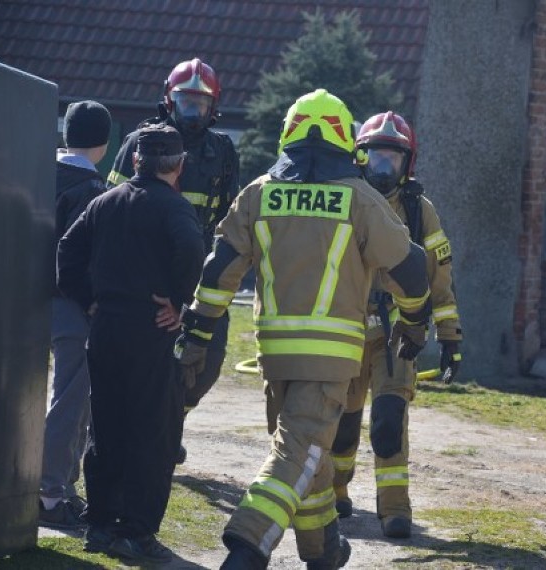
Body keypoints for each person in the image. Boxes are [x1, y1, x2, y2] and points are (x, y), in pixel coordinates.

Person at [174, 89, 432, 569]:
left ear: (288, 133)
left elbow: (218, 273)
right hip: (331, 359)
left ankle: (323, 550)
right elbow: (412, 269)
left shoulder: (259, 194)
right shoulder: (360, 199)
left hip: (276, 356)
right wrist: (415, 325)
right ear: (345, 140)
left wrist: (198, 337)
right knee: (296, 457)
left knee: (304, 457)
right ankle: (248, 545)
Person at [58, 125, 204, 564]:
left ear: (135, 161)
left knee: (106, 427)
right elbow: (193, 249)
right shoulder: (175, 209)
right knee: (153, 433)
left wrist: (89, 300)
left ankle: (100, 525)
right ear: (178, 166)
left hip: (105, 330)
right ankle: (136, 533)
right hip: (151, 331)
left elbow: (67, 251)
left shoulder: (104, 202)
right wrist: (179, 302)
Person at [330, 111, 464, 539]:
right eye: (376, 157)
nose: (384, 167)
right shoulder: (345, 198)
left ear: (408, 163)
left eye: (393, 159)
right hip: (348, 330)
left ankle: (394, 510)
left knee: (388, 423)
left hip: (398, 334)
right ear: (360, 156)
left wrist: (449, 338)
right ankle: (335, 494)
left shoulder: (419, 211)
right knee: (343, 425)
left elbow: (438, 278)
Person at [107, 57, 240, 464]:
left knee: (209, 358)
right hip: (146, 274)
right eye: (185, 102)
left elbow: (230, 217)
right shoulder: (140, 142)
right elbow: (114, 208)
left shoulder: (222, 150)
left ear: (213, 106)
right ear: (169, 99)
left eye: (199, 104)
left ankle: (172, 416)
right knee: (146, 360)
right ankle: (151, 431)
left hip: (198, 277)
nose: (192, 111)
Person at [39, 100, 112, 531]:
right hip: (70, 305)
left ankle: (62, 487)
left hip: (14, 301)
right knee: (71, 400)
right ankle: (50, 494)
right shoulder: (92, 192)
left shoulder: (34, 172)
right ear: (103, 144)